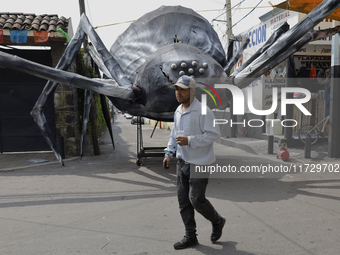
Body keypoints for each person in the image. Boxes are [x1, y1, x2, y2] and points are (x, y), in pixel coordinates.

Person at [163, 75, 226, 250]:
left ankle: (217, 220)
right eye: (176, 89)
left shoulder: (203, 110)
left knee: (196, 200)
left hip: (200, 162)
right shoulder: (178, 111)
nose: (178, 93)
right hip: (182, 162)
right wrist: (169, 152)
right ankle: (190, 236)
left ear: (192, 90)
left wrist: (190, 140)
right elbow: (174, 135)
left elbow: (214, 134)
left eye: (182, 89)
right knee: (183, 201)